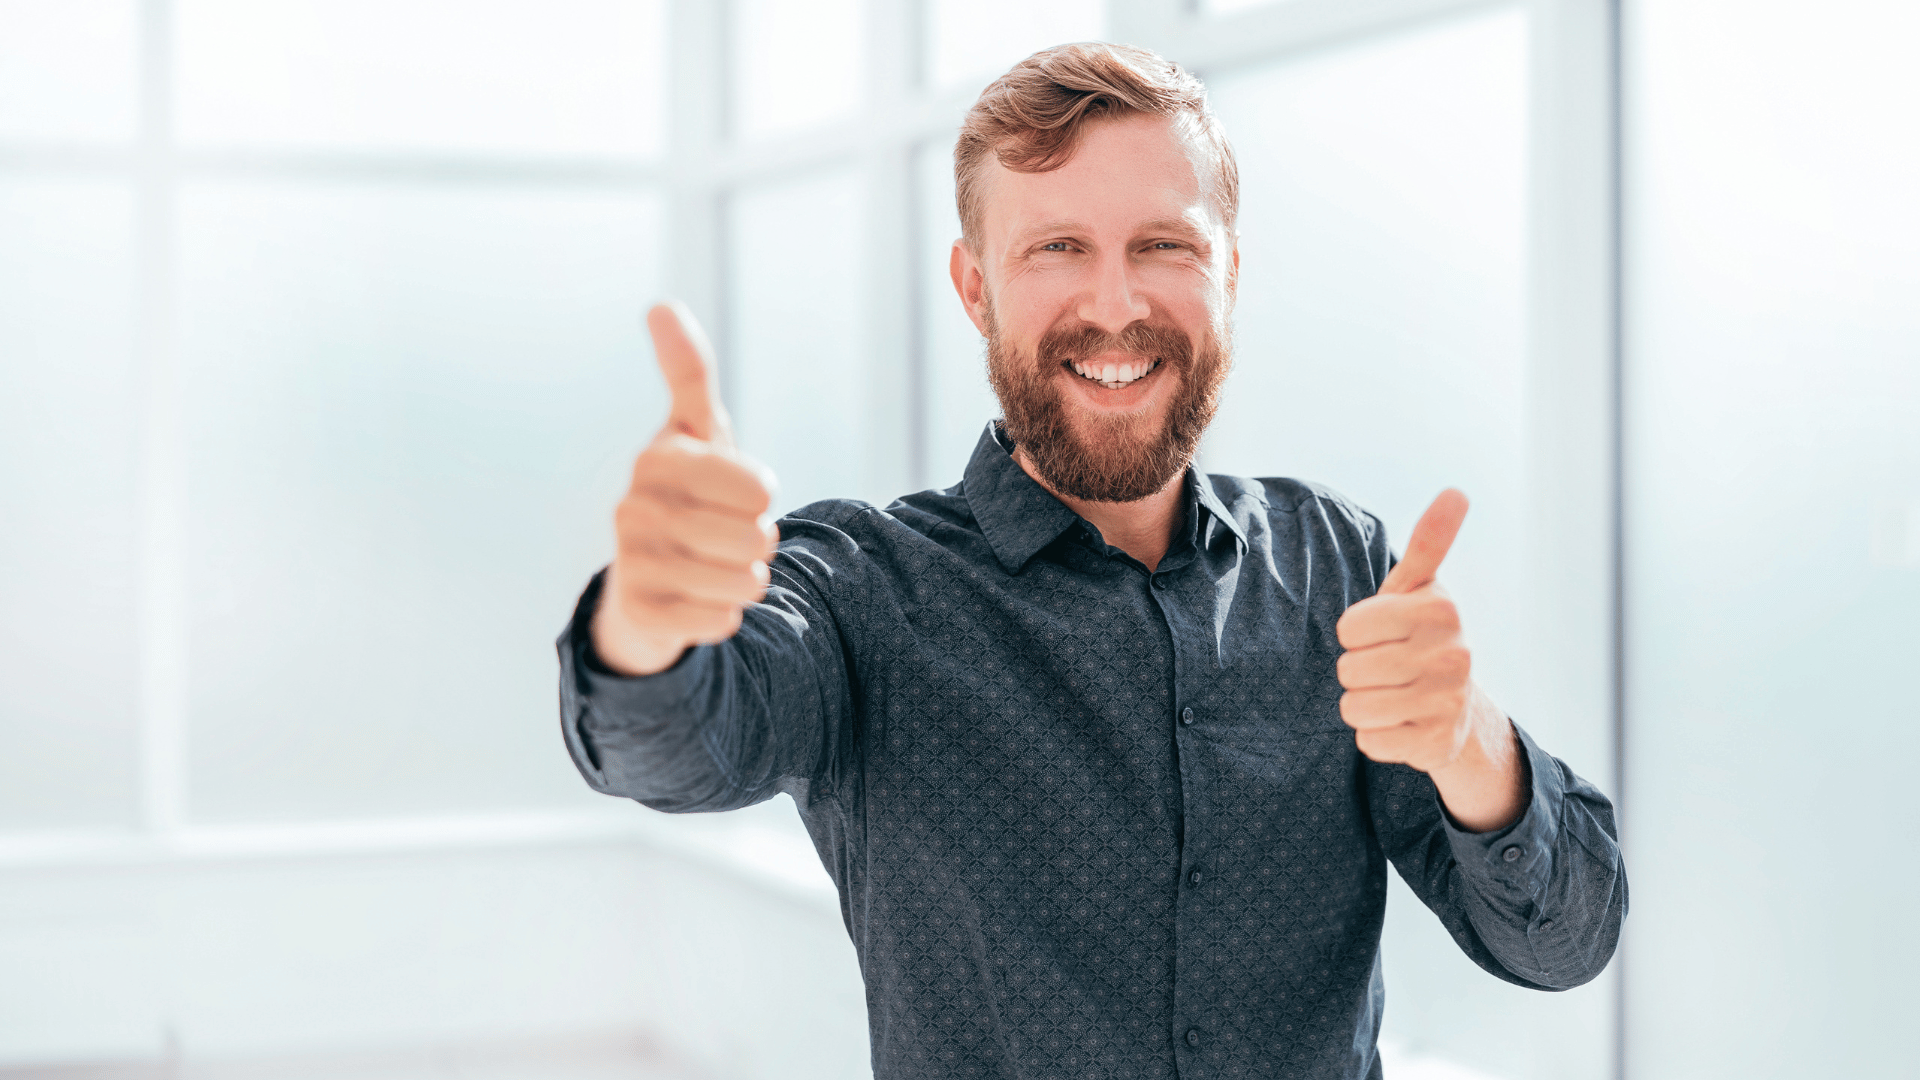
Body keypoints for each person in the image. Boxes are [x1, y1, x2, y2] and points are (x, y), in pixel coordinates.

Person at [557, 42, 1625, 1080]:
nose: (1116, 307)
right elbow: (675, 743)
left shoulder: (1336, 568)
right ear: (975, 290)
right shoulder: (862, 590)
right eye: (1057, 248)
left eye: (1165, 245)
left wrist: (1471, 740)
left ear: (1230, 274)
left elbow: (1565, 941)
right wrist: (651, 623)